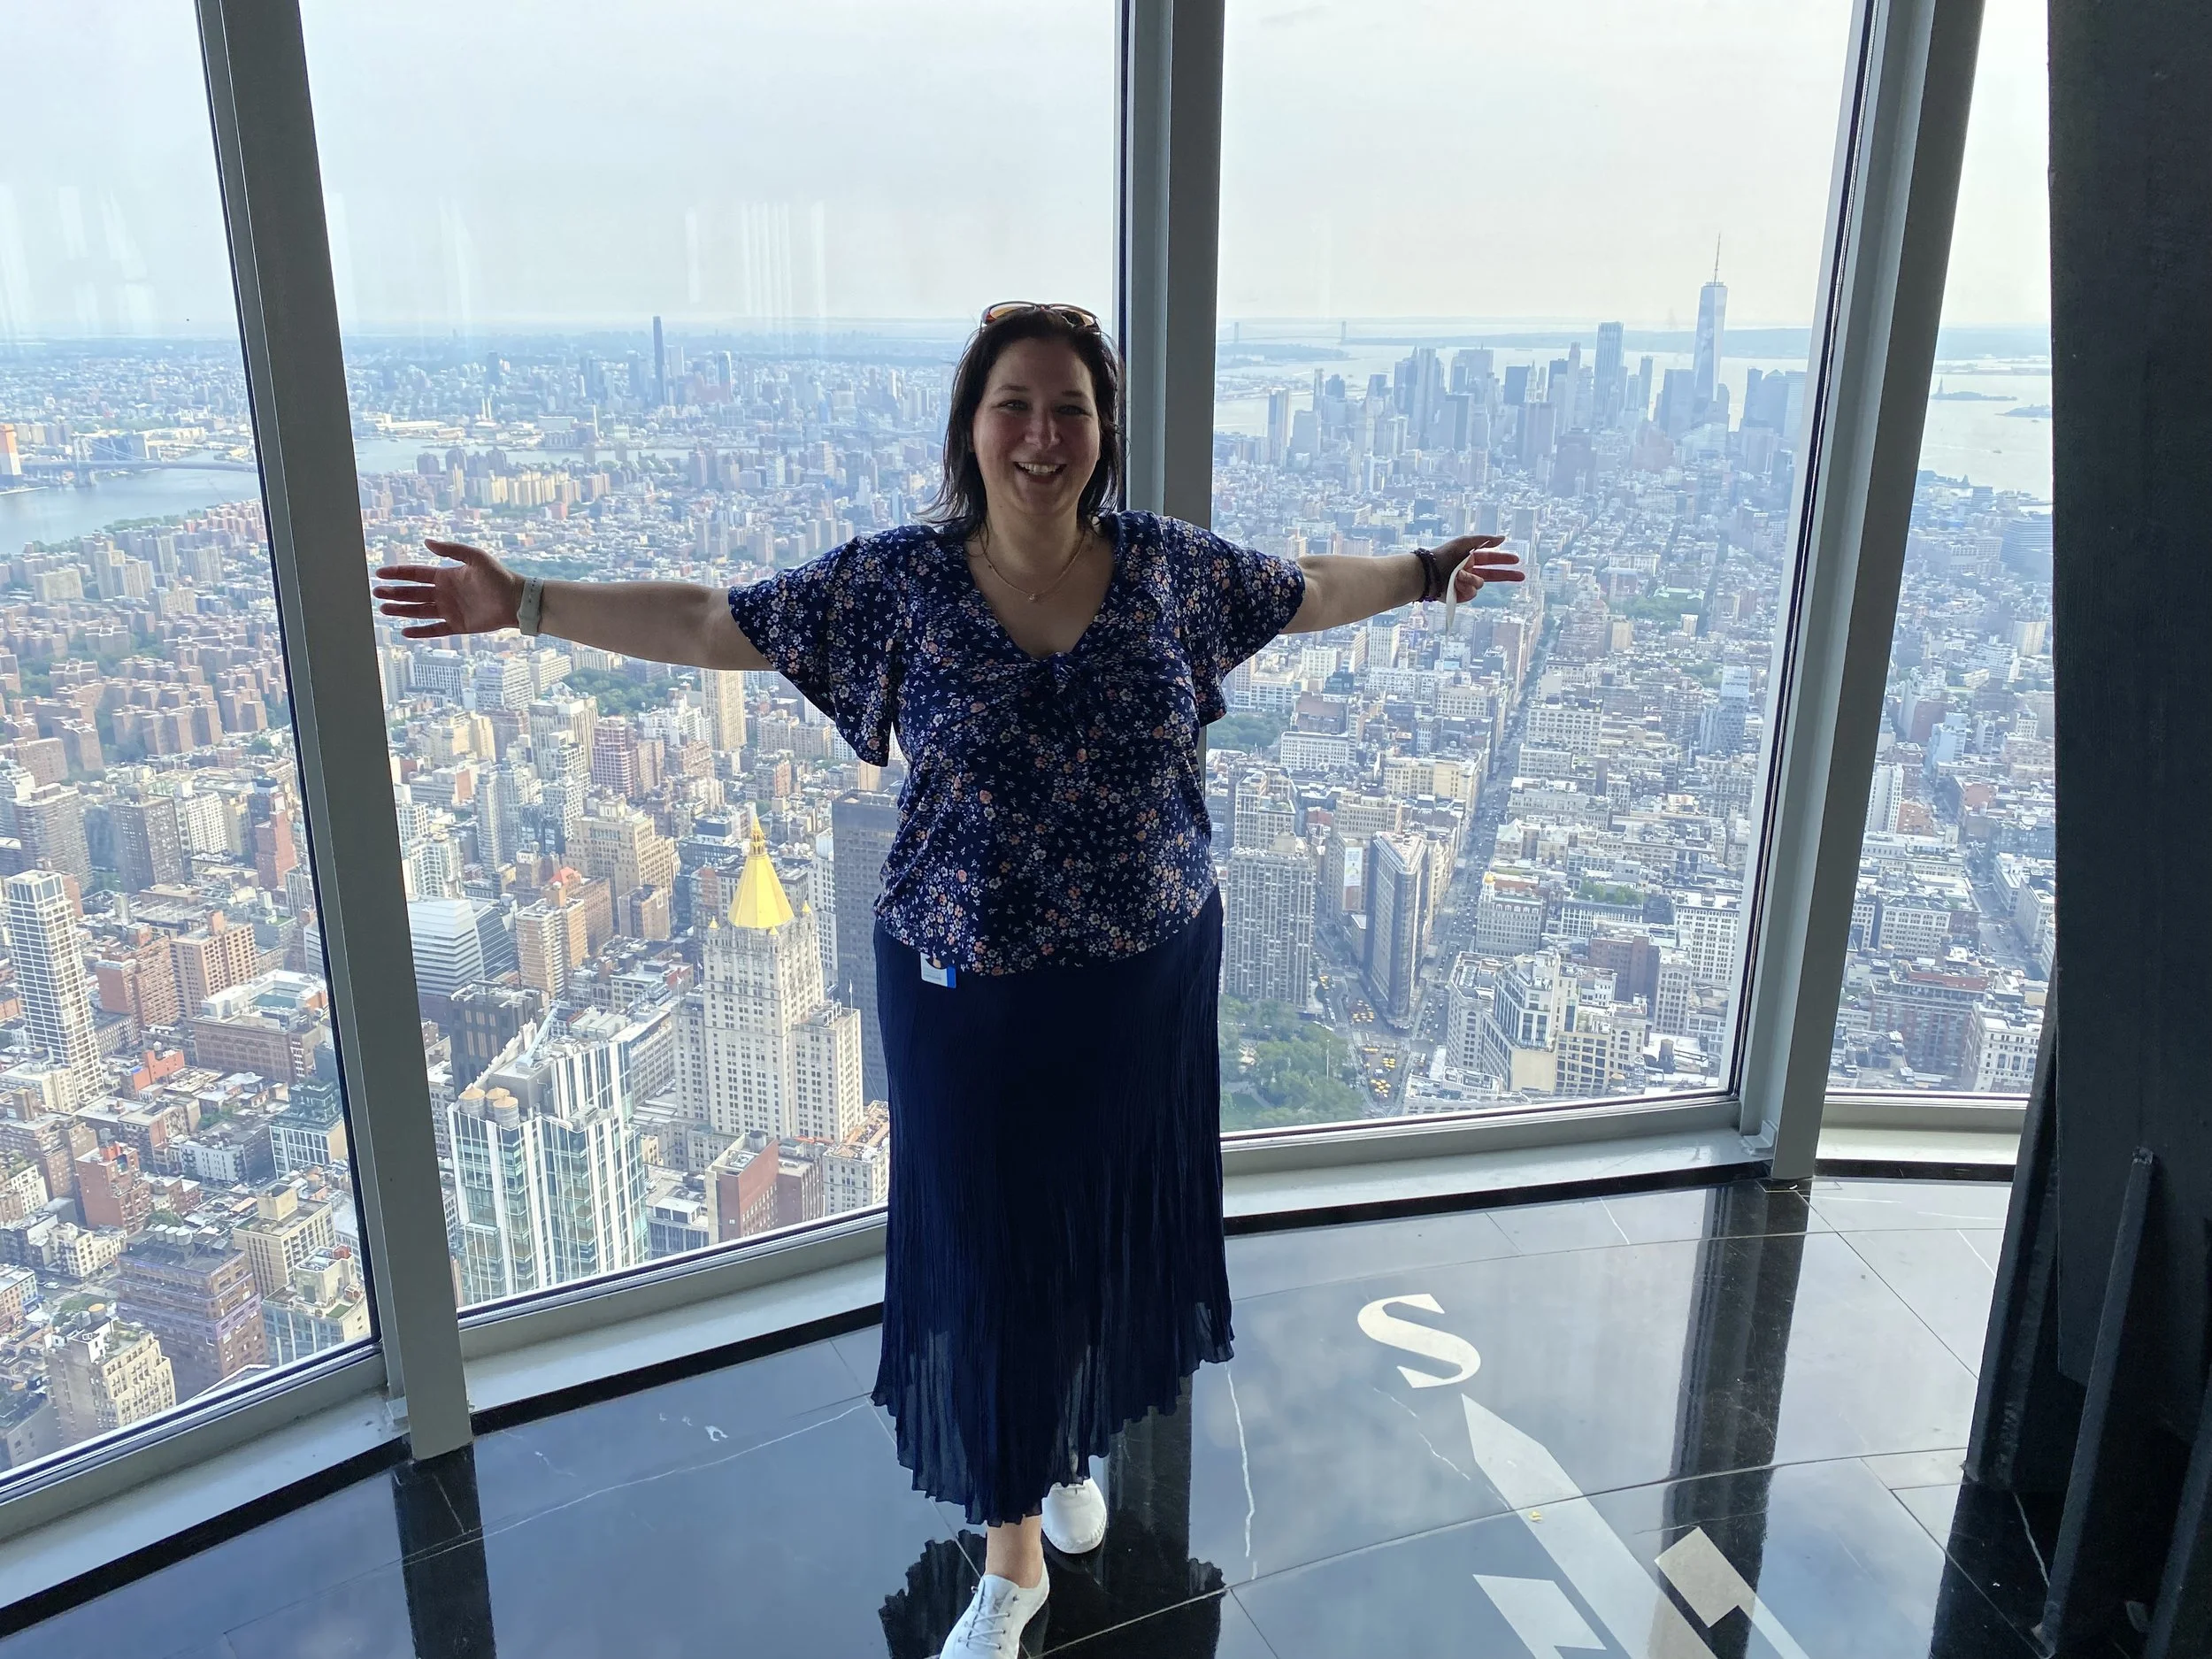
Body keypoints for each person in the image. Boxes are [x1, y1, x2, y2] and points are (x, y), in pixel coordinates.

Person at [373, 301, 1523, 1658]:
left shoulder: (1166, 570)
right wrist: (532, 605)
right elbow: (711, 619)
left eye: (1070, 410)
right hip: (962, 992)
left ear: (1101, 436)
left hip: (1144, 982)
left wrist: (1423, 567)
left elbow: (1309, 589)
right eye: (1014, 405)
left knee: (1093, 1231)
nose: (1042, 434)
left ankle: (1063, 1443)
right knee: (984, 1257)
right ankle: (1013, 1557)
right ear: (971, 426)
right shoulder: (899, 583)